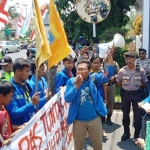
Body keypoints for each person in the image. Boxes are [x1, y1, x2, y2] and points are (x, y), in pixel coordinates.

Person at [65, 59, 109, 150]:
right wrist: (76, 86)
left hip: (94, 118)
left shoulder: (94, 78)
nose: (79, 71)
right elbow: (67, 98)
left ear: (89, 71)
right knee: (78, 146)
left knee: (98, 145)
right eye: (78, 69)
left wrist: (108, 62)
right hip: (78, 121)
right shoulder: (71, 81)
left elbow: (108, 75)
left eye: (83, 69)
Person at [116, 52, 148, 141]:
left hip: (137, 95)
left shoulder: (140, 70)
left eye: (130, 59)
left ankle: (137, 134)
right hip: (126, 95)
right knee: (125, 114)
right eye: (127, 59)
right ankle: (126, 132)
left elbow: (144, 82)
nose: (128, 60)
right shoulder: (122, 71)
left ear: (134, 59)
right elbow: (118, 82)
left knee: (137, 115)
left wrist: (136, 87)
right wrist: (126, 87)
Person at [6, 58, 40, 126]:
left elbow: (33, 103)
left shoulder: (28, 84)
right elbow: (14, 113)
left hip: (32, 124)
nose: (28, 74)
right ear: (18, 71)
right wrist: (32, 104)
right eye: (26, 71)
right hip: (22, 130)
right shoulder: (10, 89)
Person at [90, 53, 115, 137]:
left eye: (98, 62)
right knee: (90, 115)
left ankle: (101, 129)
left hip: (100, 98)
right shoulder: (86, 74)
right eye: (94, 62)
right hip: (89, 99)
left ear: (100, 63)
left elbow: (110, 73)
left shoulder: (102, 75)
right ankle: (88, 132)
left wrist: (106, 98)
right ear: (91, 63)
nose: (96, 64)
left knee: (101, 115)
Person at [103, 45, 120, 125]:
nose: (109, 51)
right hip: (102, 86)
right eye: (108, 50)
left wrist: (114, 77)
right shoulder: (99, 62)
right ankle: (102, 118)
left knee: (111, 102)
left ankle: (109, 118)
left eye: (111, 50)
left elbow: (119, 73)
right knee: (102, 101)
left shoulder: (115, 63)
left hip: (111, 85)